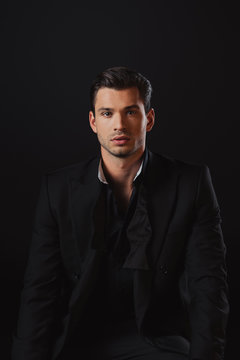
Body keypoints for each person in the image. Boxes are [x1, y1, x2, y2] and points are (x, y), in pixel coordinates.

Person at [12, 67, 229, 360]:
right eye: (106, 113)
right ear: (92, 122)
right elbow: (39, 292)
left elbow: (209, 285)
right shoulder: (58, 189)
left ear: (148, 119)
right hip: (78, 338)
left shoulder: (191, 183)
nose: (118, 125)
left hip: (156, 340)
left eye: (130, 112)